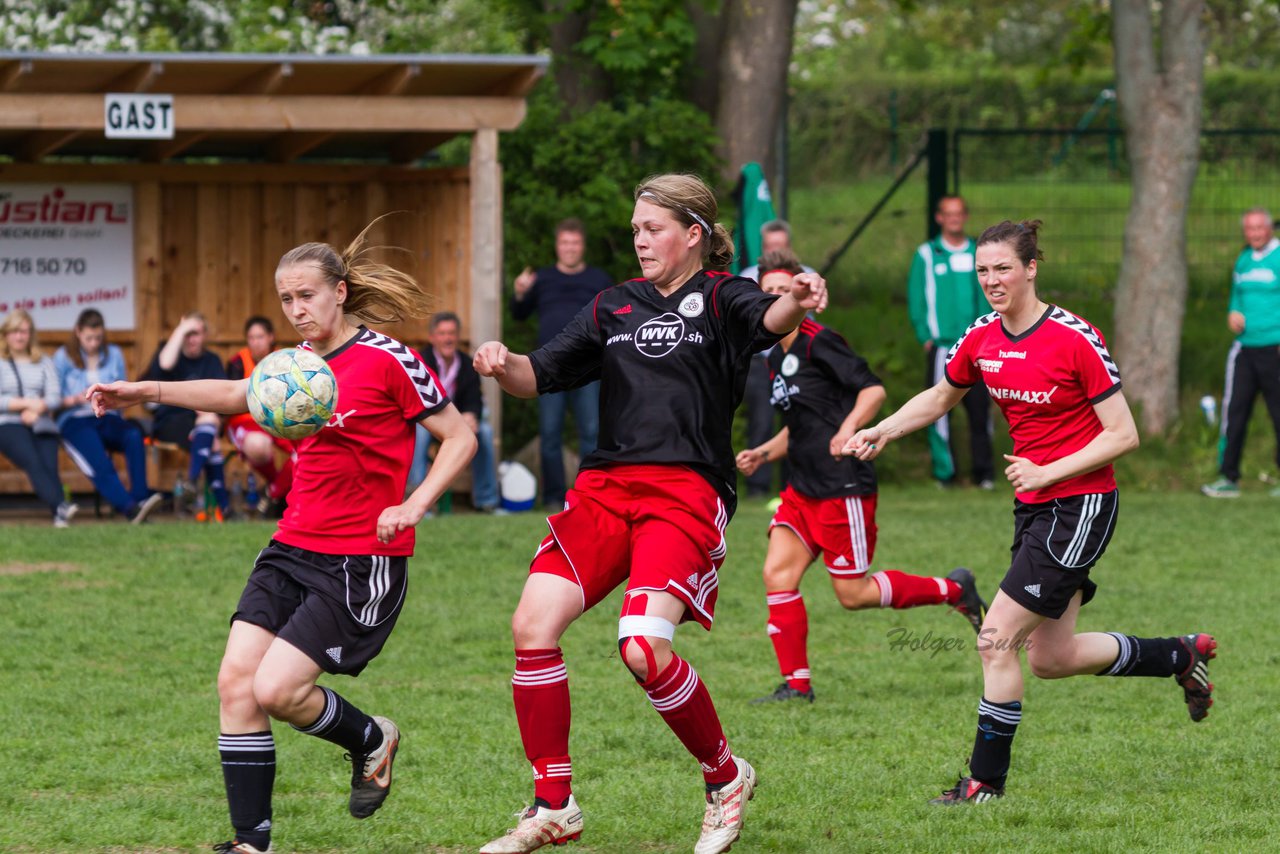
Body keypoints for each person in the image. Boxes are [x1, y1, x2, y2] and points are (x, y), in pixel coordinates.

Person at [86, 225, 477, 854]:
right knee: (236, 684)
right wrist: (144, 391)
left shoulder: (389, 358)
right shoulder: (296, 364)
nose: (296, 311)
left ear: (339, 292)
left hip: (359, 559)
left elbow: (460, 439)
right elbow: (240, 394)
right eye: (286, 299)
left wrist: (414, 504)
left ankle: (371, 739)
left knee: (278, 691)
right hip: (292, 544)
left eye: (307, 296)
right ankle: (251, 843)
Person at [474, 173, 827, 854]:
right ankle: (555, 806)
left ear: (693, 233)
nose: (640, 240)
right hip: (606, 489)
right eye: (635, 229)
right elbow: (537, 373)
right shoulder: (613, 305)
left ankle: (726, 779)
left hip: (685, 492)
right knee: (532, 626)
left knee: (641, 646)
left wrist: (794, 301)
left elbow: (770, 321)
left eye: (653, 227)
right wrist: (501, 362)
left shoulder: (725, 296)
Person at [844, 220, 1217, 805]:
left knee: (996, 640)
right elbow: (943, 396)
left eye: (1003, 269)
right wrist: (883, 430)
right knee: (1051, 658)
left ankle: (984, 784)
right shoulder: (982, 336)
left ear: (1031, 268)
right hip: (1035, 506)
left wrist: (1049, 470)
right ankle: (1179, 654)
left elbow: (1124, 434)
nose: (992, 280)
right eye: (983, 271)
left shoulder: (1074, 338)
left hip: (1082, 504)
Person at [735, 250, 986, 705]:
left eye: (782, 290)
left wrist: (849, 429)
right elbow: (804, 422)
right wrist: (764, 453)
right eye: (765, 292)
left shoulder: (819, 341)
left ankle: (954, 590)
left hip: (841, 485)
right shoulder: (775, 354)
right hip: (802, 488)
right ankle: (796, 686)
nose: (774, 298)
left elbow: (873, 390)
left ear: (802, 294)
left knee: (852, 593)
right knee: (777, 573)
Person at [510, 218, 613, 507]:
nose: (570, 248)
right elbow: (518, 313)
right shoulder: (541, 279)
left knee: (591, 432)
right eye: (565, 243)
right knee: (550, 433)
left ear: (582, 246)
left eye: (575, 243)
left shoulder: (599, 280)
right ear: (557, 246)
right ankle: (555, 497)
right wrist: (520, 291)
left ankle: (589, 495)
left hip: (590, 366)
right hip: (549, 366)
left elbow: (614, 317)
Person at [907, 195, 995, 489]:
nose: (954, 219)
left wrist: (990, 334)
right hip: (942, 347)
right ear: (939, 218)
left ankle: (984, 474)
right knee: (939, 411)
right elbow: (916, 299)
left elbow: (990, 294)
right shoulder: (926, 254)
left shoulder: (979, 252)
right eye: (948, 214)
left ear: (965, 216)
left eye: (959, 213)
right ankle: (946, 473)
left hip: (979, 345)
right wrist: (925, 336)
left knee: (981, 411)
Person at [54, 308, 161, 524]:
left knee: (132, 434)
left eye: (98, 338)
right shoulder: (63, 357)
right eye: (89, 338)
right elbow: (53, 400)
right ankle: (129, 509)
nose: (94, 343)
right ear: (78, 332)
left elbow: (123, 390)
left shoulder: (114, 354)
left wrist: (111, 402)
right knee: (99, 461)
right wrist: (76, 399)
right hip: (75, 420)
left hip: (106, 416)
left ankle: (141, 500)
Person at [1201, 207, 1280, 498]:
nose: (1255, 234)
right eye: (1250, 229)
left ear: (1270, 228)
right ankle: (1228, 477)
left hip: (1275, 348)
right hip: (1245, 350)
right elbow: (1237, 295)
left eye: (1260, 228)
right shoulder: (1244, 259)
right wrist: (1233, 312)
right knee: (1234, 413)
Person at [737, 220, 815, 498]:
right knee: (762, 421)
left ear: (788, 246)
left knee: (798, 422)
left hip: (795, 361)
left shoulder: (807, 276)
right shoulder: (746, 277)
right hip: (759, 362)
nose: (774, 250)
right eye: (769, 245)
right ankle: (757, 487)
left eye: (779, 245)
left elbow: (811, 322)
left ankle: (793, 487)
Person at [142, 312, 233, 520]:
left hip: (201, 424)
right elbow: (164, 365)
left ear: (205, 336)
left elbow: (221, 396)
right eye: (187, 334)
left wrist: (204, 406)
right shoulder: (169, 354)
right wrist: (181, 329)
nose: (192, 339)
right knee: (212, 439)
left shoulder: (211, 360)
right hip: (170, 422)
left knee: (210, 428)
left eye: (196, 334)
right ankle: (223, 505)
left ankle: (193, 485)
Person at [409, 311, 501, 511]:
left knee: (484, 432)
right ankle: (415, 499)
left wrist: (470, 416)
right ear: (432, 337)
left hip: (458, 423)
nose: (447, 339)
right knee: (419, 433)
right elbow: (414, 398)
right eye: (442, 334)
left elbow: (474, 399)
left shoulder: (468, 364)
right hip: (427, 422)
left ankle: (487, 501)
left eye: (451, 333)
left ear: (458, 337)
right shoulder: (420, 362)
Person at [0, 309, 77, 527]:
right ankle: (61, 505)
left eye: (24, 331)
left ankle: (59, 514)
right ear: (6, 334)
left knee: (49, 463)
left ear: (31, 334)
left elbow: (55, 396)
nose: (20, 336)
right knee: (32, 460)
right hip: (7, 424)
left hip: (40, 421)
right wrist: (26, 404)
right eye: (15, 331)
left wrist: (39, 408)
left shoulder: (44, 362)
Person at [225, 316, 295, 516]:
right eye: (251, 337)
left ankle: (273, 494)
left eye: (260, 336)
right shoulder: (237, 362)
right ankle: (279, 493)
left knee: (304, 450)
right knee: (258, 446)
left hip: (278, 419)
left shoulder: (284, 360)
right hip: (245, 421)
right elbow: (229, 401)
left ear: (270, 337)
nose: (255, 341)